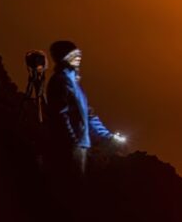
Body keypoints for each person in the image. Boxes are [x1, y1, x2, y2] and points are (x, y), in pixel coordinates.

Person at [46, 40, 125, 176]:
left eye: (78, 54)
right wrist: (72, 141)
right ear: (64, 57)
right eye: (74, 54)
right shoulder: (60, 81)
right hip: (68, 147)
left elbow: (89, 115)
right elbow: (60, 115)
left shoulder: (75, 84)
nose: (78, 57)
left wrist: (108, 137)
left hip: (80, 146)